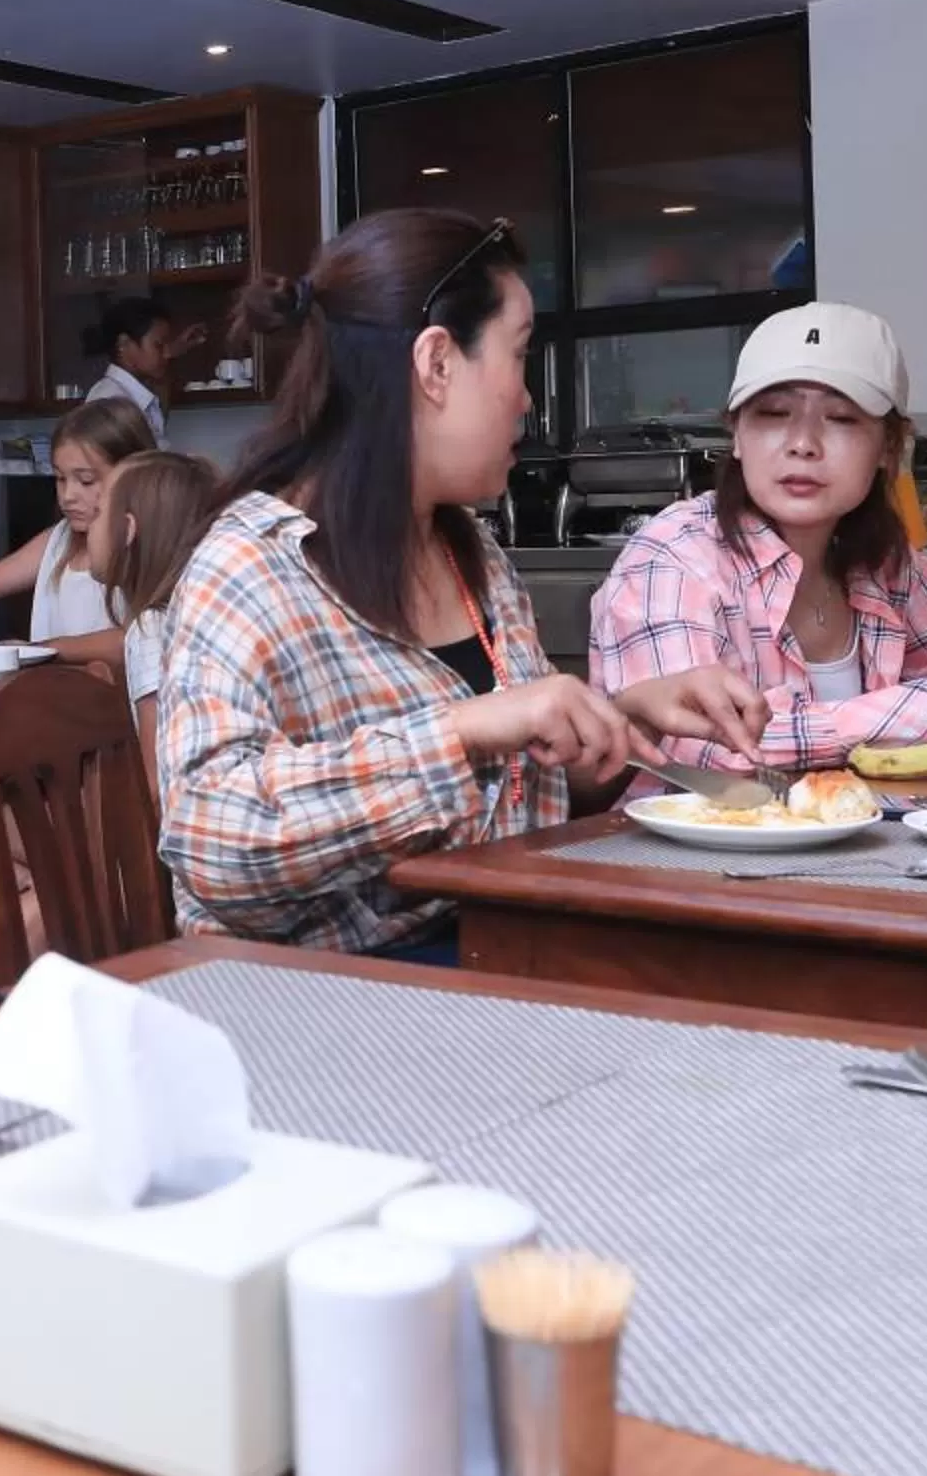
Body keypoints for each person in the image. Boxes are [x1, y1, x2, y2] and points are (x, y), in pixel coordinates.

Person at [154, 211, 768, 959]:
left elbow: (516, 809)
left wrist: (621, 722)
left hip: (501, 942)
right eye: (518, 357)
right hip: (324, 996)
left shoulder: (468, 550)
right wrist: (464, 728)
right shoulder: (252, 567)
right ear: (437, 364)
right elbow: (214, 840)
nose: (528, 399)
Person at [589, 303, 927, 777]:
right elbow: (706, 751)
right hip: (685, 851)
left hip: (860, 845)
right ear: (736, 435)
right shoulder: (675, 555)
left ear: (890, 447)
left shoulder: (883, 562)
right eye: (774, 414)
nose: (803, 443)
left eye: (840, 418)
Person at [0, 398, 155, 663]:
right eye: (60, 478)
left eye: (86, 480)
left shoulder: (148, 546)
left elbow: (142, 639)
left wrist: (42, 650)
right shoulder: (57, 541)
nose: (68, 495)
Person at [87, 449, 222, 798]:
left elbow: (158, 781)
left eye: (99, 511)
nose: (88, 522)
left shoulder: (150, 631)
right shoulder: (198, 615)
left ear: (128, 530)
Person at [81, 295, 205, 444]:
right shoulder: (111, 401)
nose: (166, 354)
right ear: (123, 344)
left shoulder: (135, 394)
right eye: (158, 345)